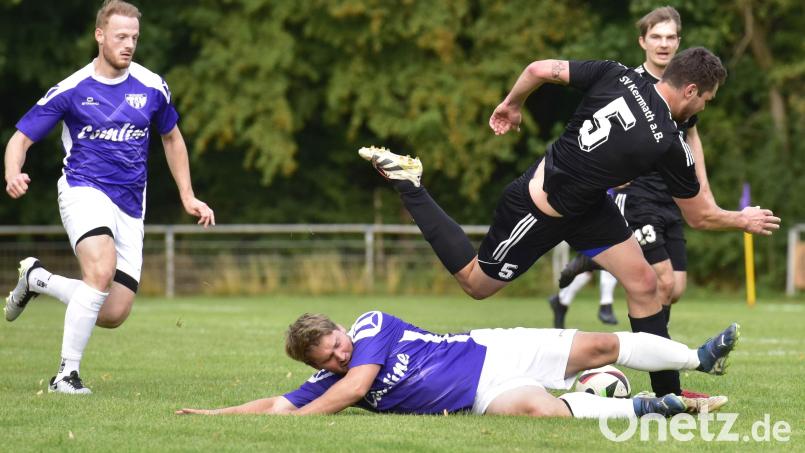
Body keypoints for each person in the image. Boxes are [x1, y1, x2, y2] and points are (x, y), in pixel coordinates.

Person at [357, 46, 779, 398]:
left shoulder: (616, 73)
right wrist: (741, 219)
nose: (704, 107)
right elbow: (700, 216)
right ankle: (411, 184)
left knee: (644, 284)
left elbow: (538, 69)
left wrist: (512, 104)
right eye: (706, 100)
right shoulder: (668, 143)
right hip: (537, 209)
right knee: (476, 284)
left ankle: (668, 395)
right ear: (690, 90)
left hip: (588, 206)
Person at [3, 0, 214, 394]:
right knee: (100, 271)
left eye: (134, 37)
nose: (129, 44)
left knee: (113, 311)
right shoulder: (73, 89)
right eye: (120, 36)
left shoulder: (152, 86)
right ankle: (65, 376)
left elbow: (172, 138)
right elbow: (21, 139)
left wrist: (188, 195)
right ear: (99, 35)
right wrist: (13, 172)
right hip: (83, 189)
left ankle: (37, 279)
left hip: (130, 204)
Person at [549, 7, 717, 399]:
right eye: (656, 36)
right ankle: (664, 381)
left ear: (679, 42)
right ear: (643, 41)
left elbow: (691, 138)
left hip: (669, 196)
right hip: (636, 195)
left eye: (671, 37)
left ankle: (597, 262)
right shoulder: (630, 81)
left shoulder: (686, 85)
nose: (664, 44)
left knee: (675, 288)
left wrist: (703, 189)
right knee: (658, 281)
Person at [176, 310, 736, 417]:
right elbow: (275, 404)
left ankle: (699, 358)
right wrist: (213, 415)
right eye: (331, 359)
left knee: (601, 346)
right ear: (317, 363)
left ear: (342, 329)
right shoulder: (328, 381)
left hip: (492, 349)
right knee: (541, 413)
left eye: (339, 344)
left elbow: (352, 390)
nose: (343, 355)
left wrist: (303, 417)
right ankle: (651, 408)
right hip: (480, 397)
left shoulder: (370, 325)